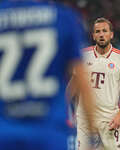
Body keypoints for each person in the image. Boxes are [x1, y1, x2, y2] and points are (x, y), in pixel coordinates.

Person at [0, 0, 95, 150]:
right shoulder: (63, 17)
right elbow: (83, 82)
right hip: (48, 133)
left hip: (4, 133)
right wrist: (91, 138)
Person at [68, 17, 120, 150]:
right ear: (93, 36)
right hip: (85, 117)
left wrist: (119, 116)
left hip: (109, 119)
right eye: (98, 31)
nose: (101, 34)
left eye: (104, 31)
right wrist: (65, 108)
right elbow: (73, 85)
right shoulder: (83, 55)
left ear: (111, 34)